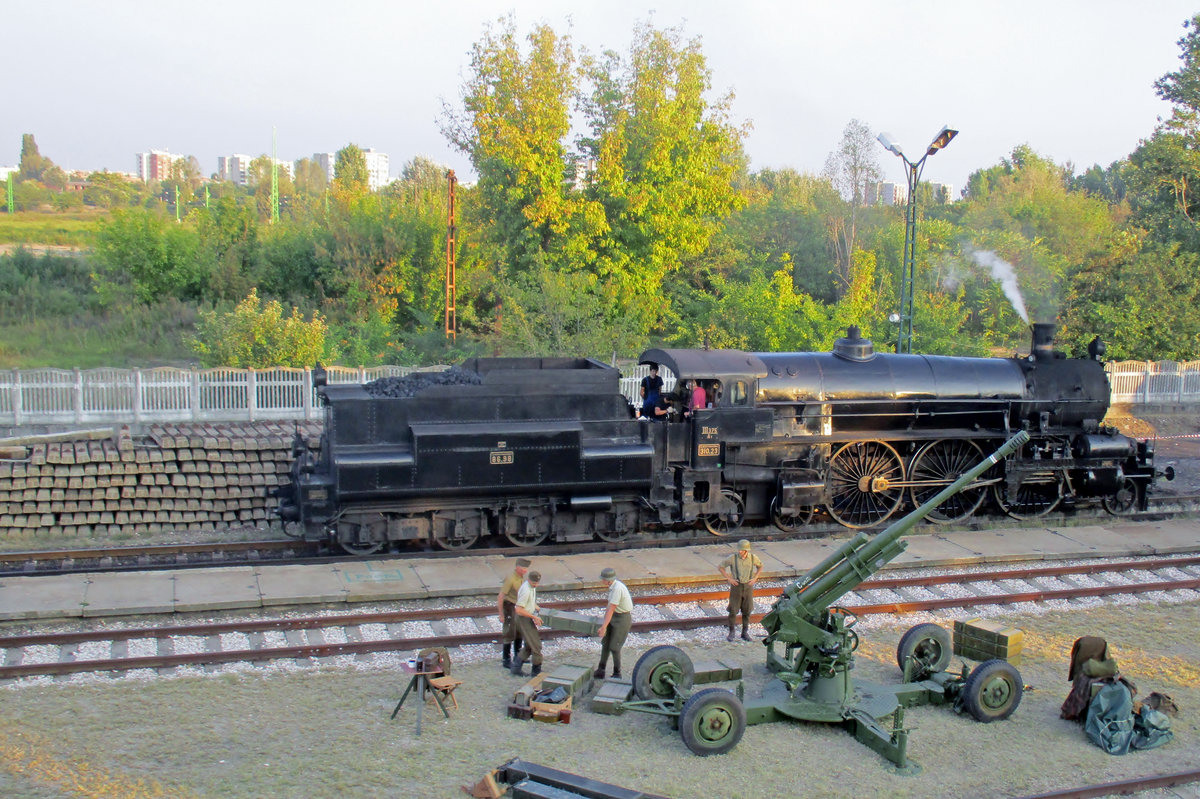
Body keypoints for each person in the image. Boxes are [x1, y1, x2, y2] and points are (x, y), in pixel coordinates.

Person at [718, 539, 763, 641]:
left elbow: (760, 566)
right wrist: (729, 578)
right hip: (736, 586)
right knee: (733, 610)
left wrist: (755, 578)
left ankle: (744, 632)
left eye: (742, 550)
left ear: (746, 550)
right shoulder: (733, 558)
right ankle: (731, 631)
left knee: (747, 610)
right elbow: (721, 567)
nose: (740, 551)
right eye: (739, 550)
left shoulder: (752, 558)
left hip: (748, 586)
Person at [595, 567, 633, 680]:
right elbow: (609, 609)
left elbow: (612, 608)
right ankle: (601, 669)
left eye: (603, 579)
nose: (602, 581)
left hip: (622, 619)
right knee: (605, 643)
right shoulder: (613, 587)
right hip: (615, 616)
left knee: (614, 647)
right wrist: (605, 624)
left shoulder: (617, 589)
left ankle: (617, 673)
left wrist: (603, 627)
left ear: (608, 580)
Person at [497, 557, 530, 669]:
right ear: (517, 568)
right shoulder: (511, 579)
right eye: (523, 568)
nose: (525, 570)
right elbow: (501, 596)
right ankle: (506, 659)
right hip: (510, 607)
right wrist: (501, 614)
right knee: (509, 632)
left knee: (519, 631)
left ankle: (518, 656)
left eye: (526, 568)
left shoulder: (520, 577)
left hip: (518, 607)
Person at [511, 570, 544, 677]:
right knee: (536, 646)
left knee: (530, 646)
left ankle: (516, 668)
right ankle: (536, 673)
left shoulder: (530, 587)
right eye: (534, 583)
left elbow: (529, 601)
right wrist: (534, 617)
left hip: (526, 617)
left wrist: (535, 606)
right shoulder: (526, 590)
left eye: (537, 583)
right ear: (529, 580)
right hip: (523, 619)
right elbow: (518, 610)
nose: (536, 585)